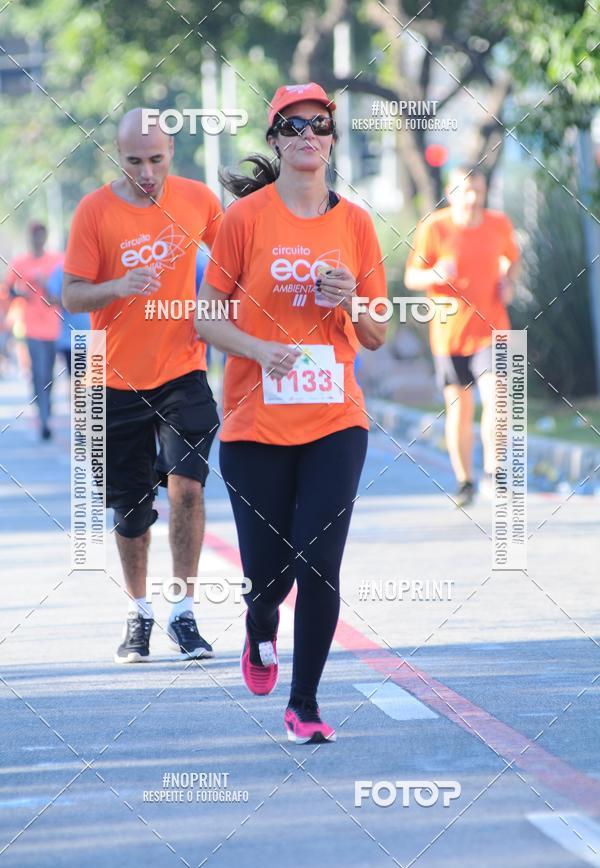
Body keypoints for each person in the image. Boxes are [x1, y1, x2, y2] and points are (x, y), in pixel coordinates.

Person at [196, 82, 387, 743]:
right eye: (294, 125)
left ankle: (304, 703)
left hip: (336, 420)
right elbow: (204, 318)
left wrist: (351, 301)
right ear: (275, 139)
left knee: (319, 563)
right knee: (270, 576)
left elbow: (376, 333)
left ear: (333, 139)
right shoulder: (244, 220)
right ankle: (259, 620)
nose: (309, 135)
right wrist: (259, 350)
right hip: (254, 423)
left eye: (320, 124)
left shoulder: (356, 224)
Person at [62, 108, 222, 664]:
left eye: (156, 159)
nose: (147, 172)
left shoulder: (198, 200)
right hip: (114, 378)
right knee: (131, 511)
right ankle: (139, 611)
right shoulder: (94, 211)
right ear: (117, 156)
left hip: (183, 370)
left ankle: (184, 611)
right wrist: (118, 286)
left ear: (171, 152)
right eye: (134, 161)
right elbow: (72, 294)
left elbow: (236, 259)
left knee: (188, 489)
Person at [404, 165, 520, 506]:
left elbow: (513, 259)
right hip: (449, 334)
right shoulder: (434, 227)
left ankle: (494, 473)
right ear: (450, 193)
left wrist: (509, 282)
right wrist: (435, 274)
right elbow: (412, 277)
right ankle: (465, 481)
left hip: (492, 330)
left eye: (478, 192)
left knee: (498, 397)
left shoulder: (499, 224)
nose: (472, 199)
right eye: (465, 191)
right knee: (459, 409)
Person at [5, 222, 63, 440]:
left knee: (49, 373)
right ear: (30, 238)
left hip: (54, 325)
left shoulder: (56, 260)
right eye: (34, 235)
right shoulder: (20, 262)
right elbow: (8, 289)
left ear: (45, 237)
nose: (38, 239)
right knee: (38, 371)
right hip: (31, 326)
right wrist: (21, 294)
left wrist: (47, 284)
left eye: (41, 235)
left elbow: (66, 287)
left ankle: (46, 406)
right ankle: (44, 418)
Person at [46, 261, 91, 376]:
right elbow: (50, 299)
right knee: (79, 378)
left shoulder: (100, 266)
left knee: (96, 381)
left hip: (98, 334)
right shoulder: (62, 270)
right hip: (73, 336)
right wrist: (72, 300)